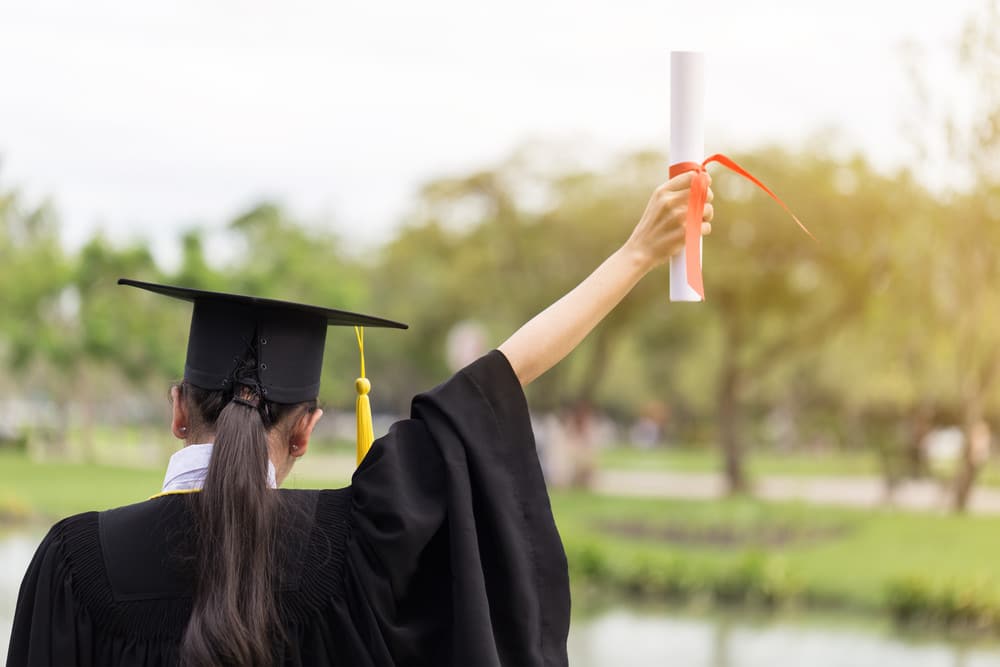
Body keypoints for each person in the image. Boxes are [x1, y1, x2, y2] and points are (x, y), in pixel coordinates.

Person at [7, 171, 713, 667]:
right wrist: (637, 254)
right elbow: (493, 381)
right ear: (307, 429)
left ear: (176, 410)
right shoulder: (358, 541)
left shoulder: (73, 564)